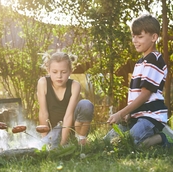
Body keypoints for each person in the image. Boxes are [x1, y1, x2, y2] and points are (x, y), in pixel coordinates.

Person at [105, 14, 173, 148]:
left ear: (154, 37)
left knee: (130, 142)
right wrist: (129, 113)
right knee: (109, 141)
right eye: (133, 36)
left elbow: (145, 95)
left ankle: (164, 138)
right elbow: (136, 96)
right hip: (137, 116)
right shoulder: (141, 62)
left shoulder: (154, 60)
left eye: (140, 36)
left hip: (151, 117)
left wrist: (121, 113)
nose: (135, 40)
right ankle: (150, 140)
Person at [37, 51, 94, 147]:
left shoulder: (75, 86)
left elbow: (69, 115)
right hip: (53, 129)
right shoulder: (43, 83)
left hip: (70, 127)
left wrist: (63, 142)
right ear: (48, 70)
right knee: (47, 145)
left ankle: (81, 139)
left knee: (86, 105)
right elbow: (43, 113)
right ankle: (50, 141)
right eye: (55, 72)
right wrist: (44, 138)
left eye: (63, 72)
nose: (59, 76)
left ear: (70, 71)